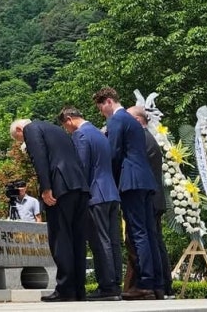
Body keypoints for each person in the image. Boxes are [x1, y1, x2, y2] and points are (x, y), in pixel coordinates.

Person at [93, 87, 163, 300]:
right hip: (145, 180)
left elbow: (113, 153)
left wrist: (111, 180)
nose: (102, 113)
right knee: (149, 233)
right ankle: (158, 284)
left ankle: (144, 283)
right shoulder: (133, 120)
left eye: (100, 109)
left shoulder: (116, 120)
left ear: (107, 101)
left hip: (130, 181)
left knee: (137, 232)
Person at [10, 118, 89, 302]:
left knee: (60, 238)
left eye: (20, 140)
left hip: (60, 187)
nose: (24, 144)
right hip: (80, 186)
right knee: (78, 240)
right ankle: (79, 289)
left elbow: (40, 159)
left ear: (20, 129)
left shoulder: (31, 129)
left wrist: (46, 188)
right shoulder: (57, 129)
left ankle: (65, 289)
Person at [58, 106, 123, 301]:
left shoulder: (80, 135)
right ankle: (115, 283)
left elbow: (82, 167)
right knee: (113, 241)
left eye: (65, 127)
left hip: (95, 195)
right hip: (111, 193)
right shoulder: (99, 133)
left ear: (69, 119)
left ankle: (107, 286)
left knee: (99, 241)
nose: (67, 130)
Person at [127, 104, 174, 298]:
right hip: (153, 197)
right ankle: (162, 286)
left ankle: (156, 283)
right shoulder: (148, 139)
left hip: (148, 198)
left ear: (138, 121)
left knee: (147, 241)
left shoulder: (143, 140)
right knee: (155, 242)